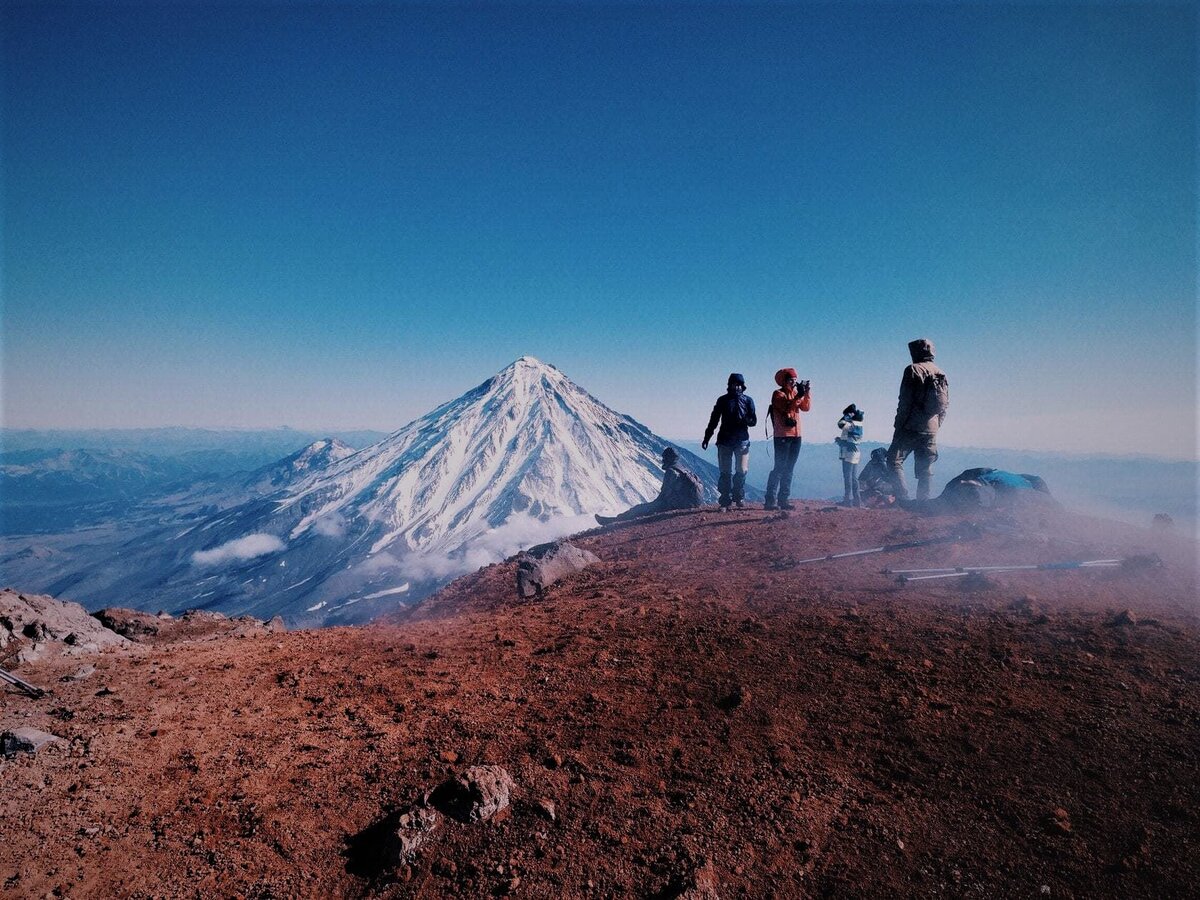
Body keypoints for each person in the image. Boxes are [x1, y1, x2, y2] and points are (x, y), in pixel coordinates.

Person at [887, 338, 950, 502]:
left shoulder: (913, 369)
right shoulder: (940, 372)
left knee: (893, 460)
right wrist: (936, 425)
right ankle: (924, 501)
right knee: (925, 467)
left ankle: (902, 498)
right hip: (931, 428)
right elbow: (945, 405)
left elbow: (905, 401)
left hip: (910, 426)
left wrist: (898, 425)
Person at [595, 446, 703, 524]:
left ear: (668, 458)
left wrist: (652, 506)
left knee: (639, 509)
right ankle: (615, 520)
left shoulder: (671, 472)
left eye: (664, 457)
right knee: (644, 508)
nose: (662, 460)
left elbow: (664, 495)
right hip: (691, 503)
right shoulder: (683, 469)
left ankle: (614, 521)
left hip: (678, 505)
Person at [702, 373, 757, 510]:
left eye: (738, 385)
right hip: (726, 441)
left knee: (741, 470)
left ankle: (738, 496)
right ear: (730, 385)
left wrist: (746, 419)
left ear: (742, 386)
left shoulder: (748, 401)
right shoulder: (723, 400)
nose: (736, 387)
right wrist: (707, 437)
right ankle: (725, 501)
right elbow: (714, 419)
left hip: (741, 441)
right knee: (725, 472)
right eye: (734, 384)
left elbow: (754, 421)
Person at [763, 368, 811, 511]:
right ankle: (770, 500)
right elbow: (786, 407)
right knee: (779, 468)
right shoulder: (778, 394)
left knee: (789, 468)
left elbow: (806, 407)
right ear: (784, 381)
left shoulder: (796, 393)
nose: (793, 383)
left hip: (796, 436)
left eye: (795, 381)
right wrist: (798, 397)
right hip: (782, 436)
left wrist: (806, 393)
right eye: (791, 380)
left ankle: (784, 499)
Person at [836, 404, 864, 507]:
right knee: (853, 477)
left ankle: (848, 500)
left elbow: (840, 424)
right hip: (855, 453)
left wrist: (847, 416)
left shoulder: (852, 424)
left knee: (847, 477)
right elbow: (851, 440)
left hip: (848, 453)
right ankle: (857, 501)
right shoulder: (859, 424)